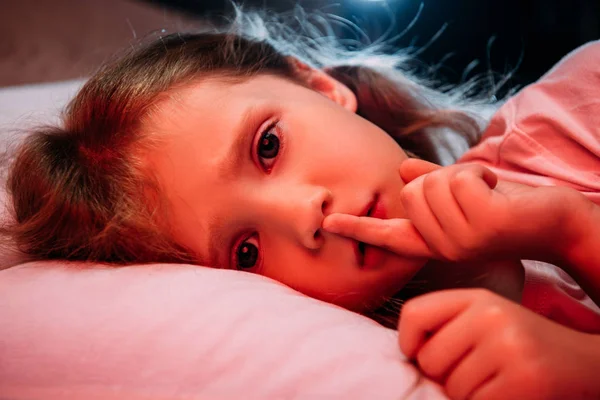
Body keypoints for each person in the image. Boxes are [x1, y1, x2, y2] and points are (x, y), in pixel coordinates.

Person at [2, 6, 599, 399]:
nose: (302, 217)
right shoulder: (395, 369)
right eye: (245, 251)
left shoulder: (575, 111)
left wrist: (568, 232)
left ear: (322, 87)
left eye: (268, 146)